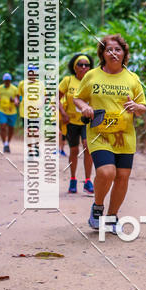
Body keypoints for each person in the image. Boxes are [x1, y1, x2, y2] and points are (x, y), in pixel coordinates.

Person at [73, 35, 146, 232]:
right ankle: (97, 208)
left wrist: (135, 106)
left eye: (118, 49)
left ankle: (112, 218)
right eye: (109, 50)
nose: (113, 53)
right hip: (99, 134)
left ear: (124, 53)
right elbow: (77, 99)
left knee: (122, 176)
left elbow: (142, 108)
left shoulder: (132, 78)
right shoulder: (92, 76)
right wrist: (85, 107)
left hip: (125, 135)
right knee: (107, 172)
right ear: (103, 55)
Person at [58, 54, 95, 194]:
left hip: (87, 122)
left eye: (87, 65)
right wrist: (63, 113)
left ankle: (87, 181)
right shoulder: (68, 81)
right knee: (74, 150)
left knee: (87, 147)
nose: (84, 67)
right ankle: (73, 180)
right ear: (75, 67)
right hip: (71, 121)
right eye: (81, 64)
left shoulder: (92, 81)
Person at [0, 72, 20, 154]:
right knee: (3, 126)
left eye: (8, 81)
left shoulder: (15, 89)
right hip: (2, 111)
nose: (7, 82)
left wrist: (15, 101)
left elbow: (18, 99)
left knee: (11, 129)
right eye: (6, 81)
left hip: (12, 111)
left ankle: (8, 142)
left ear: (10, 81)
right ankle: (4, 143)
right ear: (3, 81)